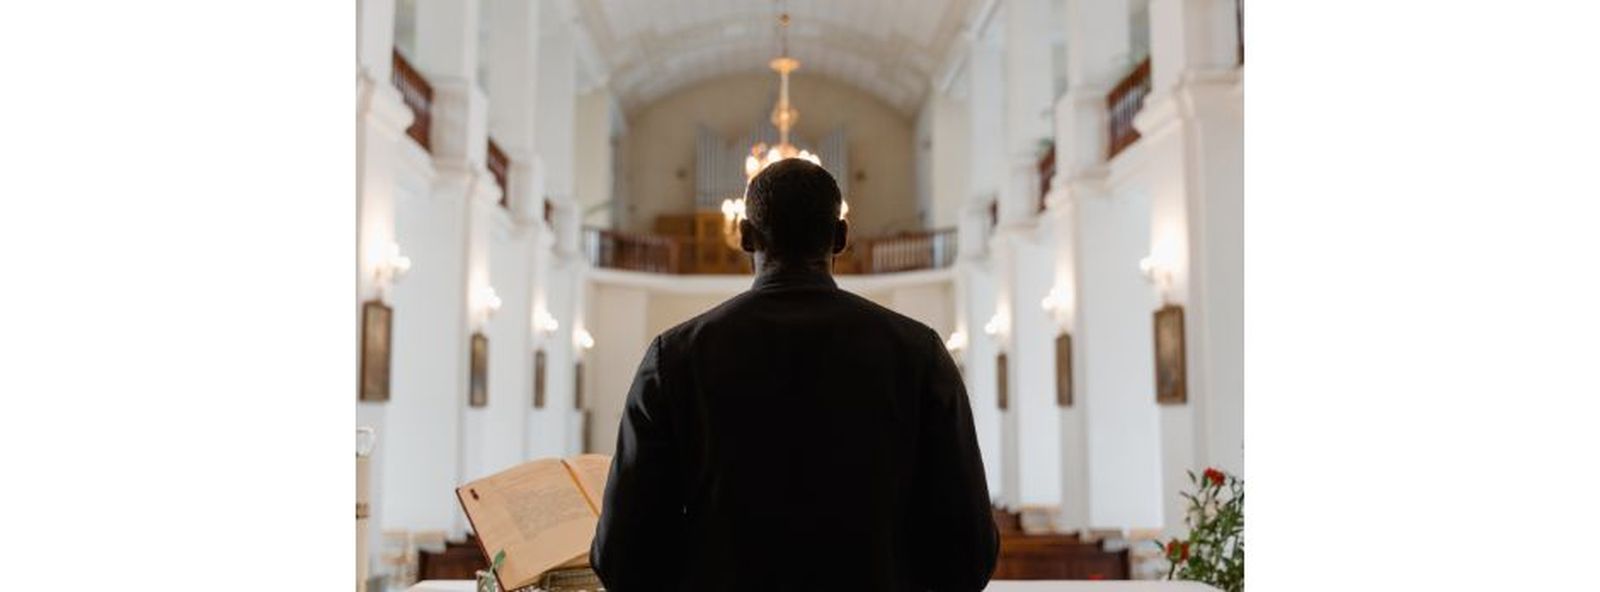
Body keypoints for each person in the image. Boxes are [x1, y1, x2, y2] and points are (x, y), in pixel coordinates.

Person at [591, 158, 998, 591]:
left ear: (745, 236)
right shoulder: (920, 353)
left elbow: (623, 554)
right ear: (840, 237)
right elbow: (968, 548)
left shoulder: (673, 358)